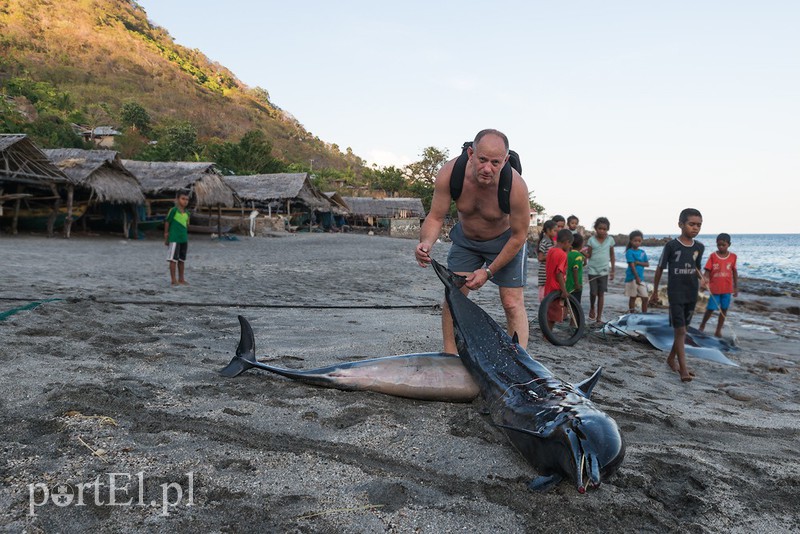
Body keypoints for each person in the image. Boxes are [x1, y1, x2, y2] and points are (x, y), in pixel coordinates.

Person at [416, 129, 531, 352]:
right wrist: (427, 243)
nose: (488, 168)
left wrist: (488, 272)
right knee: (454, 295)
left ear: (506, 160)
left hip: (505, 242)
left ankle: (519, 359)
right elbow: (436, 216)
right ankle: (450, 354)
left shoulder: (516, 186)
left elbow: (519, 236)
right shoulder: (451, 172)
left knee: (511, 301)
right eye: (482, 160)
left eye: (496, 162)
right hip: (466, 240)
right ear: (470, 153)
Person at [649, 208, 705, 382]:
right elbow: (660, 268)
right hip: (675, 293)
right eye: (691, 224)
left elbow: (696, 267)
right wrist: (655, 292)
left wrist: (703, 279)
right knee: (680, 330)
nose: (695, 228)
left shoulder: (699, 247)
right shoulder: (671, 246)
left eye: (699, 225)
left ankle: (670, 359)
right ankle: (683, 370)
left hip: (691, 293)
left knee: (683, 330)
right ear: (681, 224)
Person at [699, 233, 738, 337]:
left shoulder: (733, 257)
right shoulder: (712, 256)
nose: (721, 247)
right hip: (715, 289)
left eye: (723, 245)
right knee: (710, 308)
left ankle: (718, 330)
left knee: (724, 309)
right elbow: (707, 271)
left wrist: (736, 287)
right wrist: (704, 283)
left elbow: (734, 272)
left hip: (727, 289)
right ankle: (702, 325)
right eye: (719, 245)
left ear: (729, 244)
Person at [585, 217, 615, 323]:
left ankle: (599, 318)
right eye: (600, 228)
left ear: (607, 229)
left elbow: (612, 255)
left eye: (604, 229)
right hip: (592, 270)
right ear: (595, 228)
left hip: (604, 271)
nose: (602, 231)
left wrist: (613, 270)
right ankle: (592, 307)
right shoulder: (591, 240)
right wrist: (583, 254)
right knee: (593, 293)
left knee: (601, 294)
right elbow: (589, 255)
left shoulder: (610, 240)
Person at [544, 229, 573, 333]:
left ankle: (546, 333)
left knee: (548, 312)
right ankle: (548, 334)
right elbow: (559, 273)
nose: (570, 247)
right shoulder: (562, 255)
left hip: (548, 286)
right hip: (556, 287)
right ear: (567, 242)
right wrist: (563, 290)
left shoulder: (551, 250)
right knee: (554, 315)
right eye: (570, 245)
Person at [165, 190, 191, 285]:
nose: (185, 201)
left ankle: (181, 279)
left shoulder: (188, 213)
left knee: (182, 260)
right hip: (174, 239)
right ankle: (173, 279)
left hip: (184, 239)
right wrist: (166, 235)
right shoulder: (173, 210)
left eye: (187, 199)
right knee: (173, 259)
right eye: (183, 199)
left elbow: (187, 226)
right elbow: (167, 222)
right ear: (177, 199)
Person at [625, 230, 650, 313]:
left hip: (640, 278)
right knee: (633, 297)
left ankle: (644, 314)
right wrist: (637, 277)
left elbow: (647, 264)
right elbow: (632, 266)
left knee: (645, 297)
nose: (637, 243)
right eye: (635, 241)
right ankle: (631, 314)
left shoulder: (642, 252)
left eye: (639, 241)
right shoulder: (629, 252)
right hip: (632, 278)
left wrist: (638, 262)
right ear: (631, 241)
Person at [537, 220, 558, 302]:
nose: (556, 233)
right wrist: (552, 256)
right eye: (555, 231)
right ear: (548, 230)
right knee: (544, 297)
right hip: (544, 273)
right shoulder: (545, 241)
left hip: (550, 272)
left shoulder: (551, 241)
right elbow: (540, 258)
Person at [566, 233, 585, 303]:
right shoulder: (578, 256)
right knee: (576, 304)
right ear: (581, 245)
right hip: (575, 286)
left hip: (568, 284)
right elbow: (575, 269)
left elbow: (582, 265)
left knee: (567, 304)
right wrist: (577, 284)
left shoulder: (568, 254)